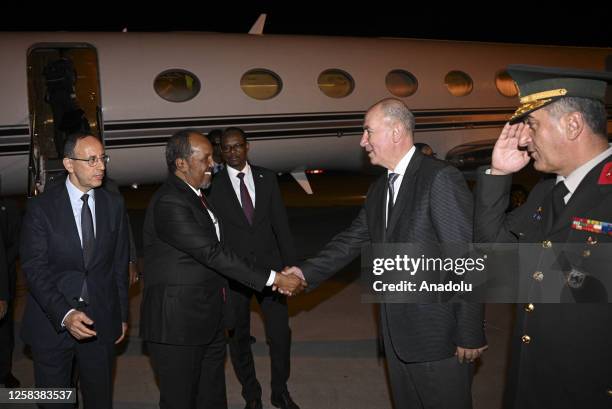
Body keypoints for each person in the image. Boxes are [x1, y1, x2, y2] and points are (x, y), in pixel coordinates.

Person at [284, 98, 487, 409]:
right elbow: (352, 239)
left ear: (395, 132)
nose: (362, 141)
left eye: (368, 131)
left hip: (438, 336)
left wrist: (470, 332)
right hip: (396, 335)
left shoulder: (438, 178)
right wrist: (303, 273)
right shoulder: (380, 188)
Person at [473, 65, 612, 409]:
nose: (524, 139)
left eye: (532, 126)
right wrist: (498, 175)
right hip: (533, 383)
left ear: (573, 125)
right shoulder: (548, 192)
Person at [139, 129, 304, 409]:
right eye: (205, 159)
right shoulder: (170, 202)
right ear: (181, 163)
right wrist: (275, 278)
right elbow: (212, 253)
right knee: (180, 399)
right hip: (178, 325)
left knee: (213, 397)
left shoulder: (197, 195)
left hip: (208, 318)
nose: (213, 164)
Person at [20, 132, 129, 409]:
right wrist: (65, 315)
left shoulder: (113, 204)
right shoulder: (41, 207)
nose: (101, 166)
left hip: (100, 323)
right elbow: (35, 269)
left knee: (99, 399)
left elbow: (119, 264)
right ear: (69, 164)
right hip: (52, 323)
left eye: (102, 158)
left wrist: (122, 314)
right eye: (91, 160)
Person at [208, 127, 299, 409]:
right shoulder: (213, 183)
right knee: (238, 338)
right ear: (220, 151)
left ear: (248, 147)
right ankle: (252, 394)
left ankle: (280, 390)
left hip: (271, 272)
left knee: (280, 334)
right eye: (226, 148)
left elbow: (280, 225)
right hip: (234, 274)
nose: (232, 152)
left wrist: (292, 266)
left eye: (237, 146)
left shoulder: (267, 177)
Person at [0, 186, 21, 388]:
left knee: (4, 329)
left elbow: (17, 242)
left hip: (4, 278)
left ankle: (5, 371)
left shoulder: (10, 207)